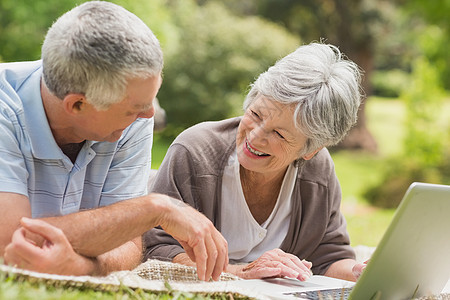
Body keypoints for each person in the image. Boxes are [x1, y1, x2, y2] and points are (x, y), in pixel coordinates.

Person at [0, 1, 227, 281]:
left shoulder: (129, 120)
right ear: (77, 105)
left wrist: (81, 268)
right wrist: (154, 209)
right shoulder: (5, 107)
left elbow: (130, 245)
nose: (149, 115)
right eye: (134, 109)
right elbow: (11, 244)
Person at [143, 42, 367, 282]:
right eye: (255, 114)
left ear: (310, 150)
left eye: (279, 134)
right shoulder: (194, 151)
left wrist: (359, 272)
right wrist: (241, 272)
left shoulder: (317, 171)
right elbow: (157, 248)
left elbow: (329, 256)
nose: (255, 136)